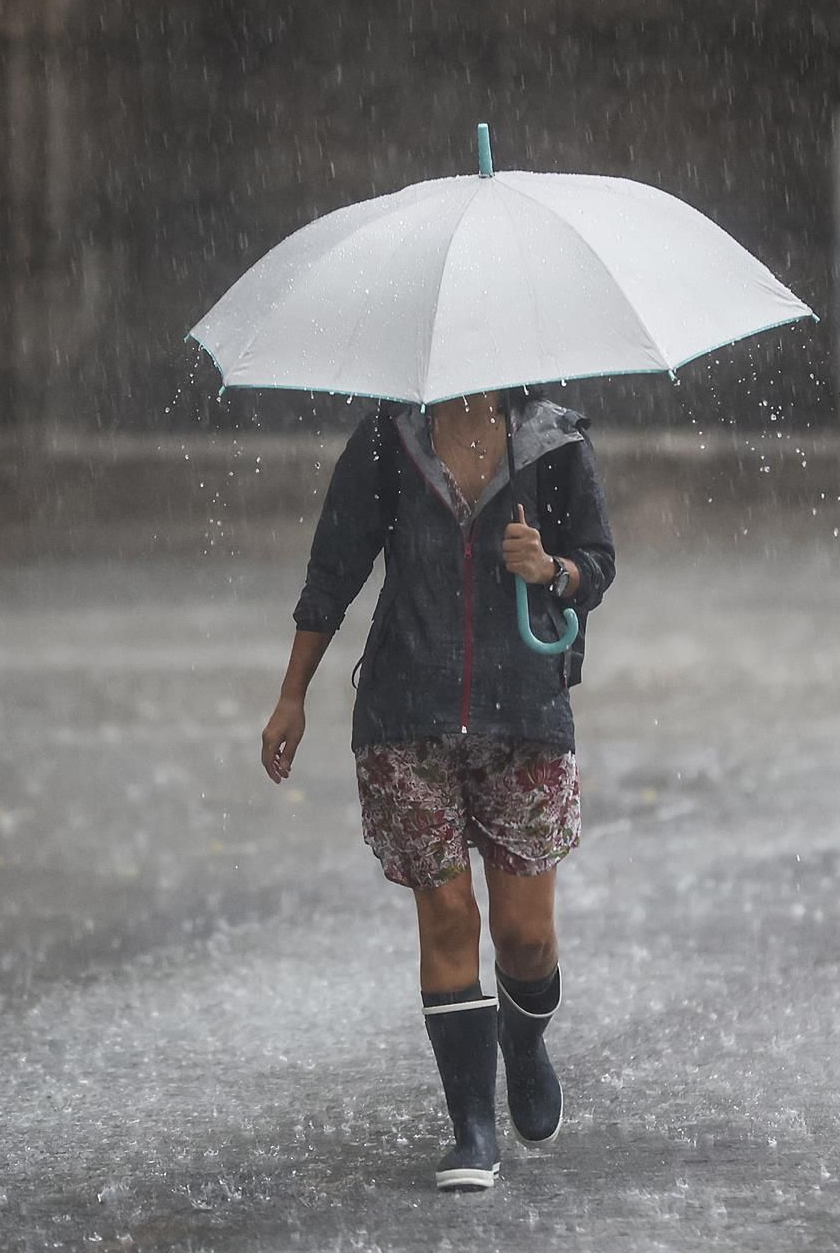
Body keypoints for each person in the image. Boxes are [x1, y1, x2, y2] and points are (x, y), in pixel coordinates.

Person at [260, 386, 615, 1192]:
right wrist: (293, 694)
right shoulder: (390, 440)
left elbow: (598, 563)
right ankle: (473, 1129)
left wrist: (552, 568)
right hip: (405, 712)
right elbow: (334, 568)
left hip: (523, 710)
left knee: (524, 935)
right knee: (447, 913)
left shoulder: (553, 443)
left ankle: (521, 1047)